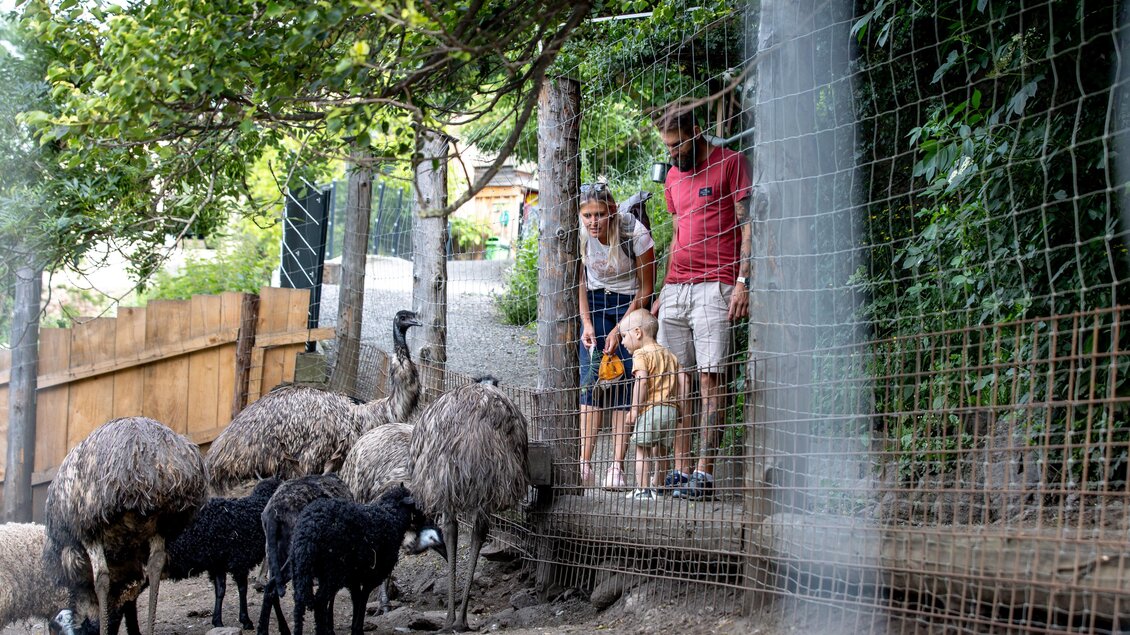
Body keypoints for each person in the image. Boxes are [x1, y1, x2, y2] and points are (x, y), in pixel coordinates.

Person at [652, 104, 752, 500]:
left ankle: (705, 474)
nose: (672, 153)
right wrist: (664, 288)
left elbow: (748, 225)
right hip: (676, 287)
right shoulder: (673, 176)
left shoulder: (730, 163)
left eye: (677, 145)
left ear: (696, 131)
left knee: (711, 377)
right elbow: (679, 233)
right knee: (678, 382)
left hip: (716, 284)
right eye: (667, 146)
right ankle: (680, 470)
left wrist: (743, 281)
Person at [578, 182, 656, 489]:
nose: (593, 222)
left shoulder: (634, 233)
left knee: (625, 378)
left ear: (612, 211)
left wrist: (618, 329)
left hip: (628, 303)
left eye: (599, 214)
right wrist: (586, 323)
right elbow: (578, 284)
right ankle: (584, 464)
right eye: (587, 216)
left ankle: (616, 466)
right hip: (594, 302)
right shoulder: (578, 235)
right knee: (591, 379)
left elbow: (647, 288)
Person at [619, 309, 684, 500]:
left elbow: (642, 381)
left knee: (642, 448)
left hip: (651, 409)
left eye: (624, 336)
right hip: (671, 410)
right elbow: (684, 381)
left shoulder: (640, 354)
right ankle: (659, 486)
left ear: (638, 332)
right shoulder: (669, 354)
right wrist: (680, 406)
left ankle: (643, 489)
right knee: (662, 451)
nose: (622, 342)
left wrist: (634, 410)